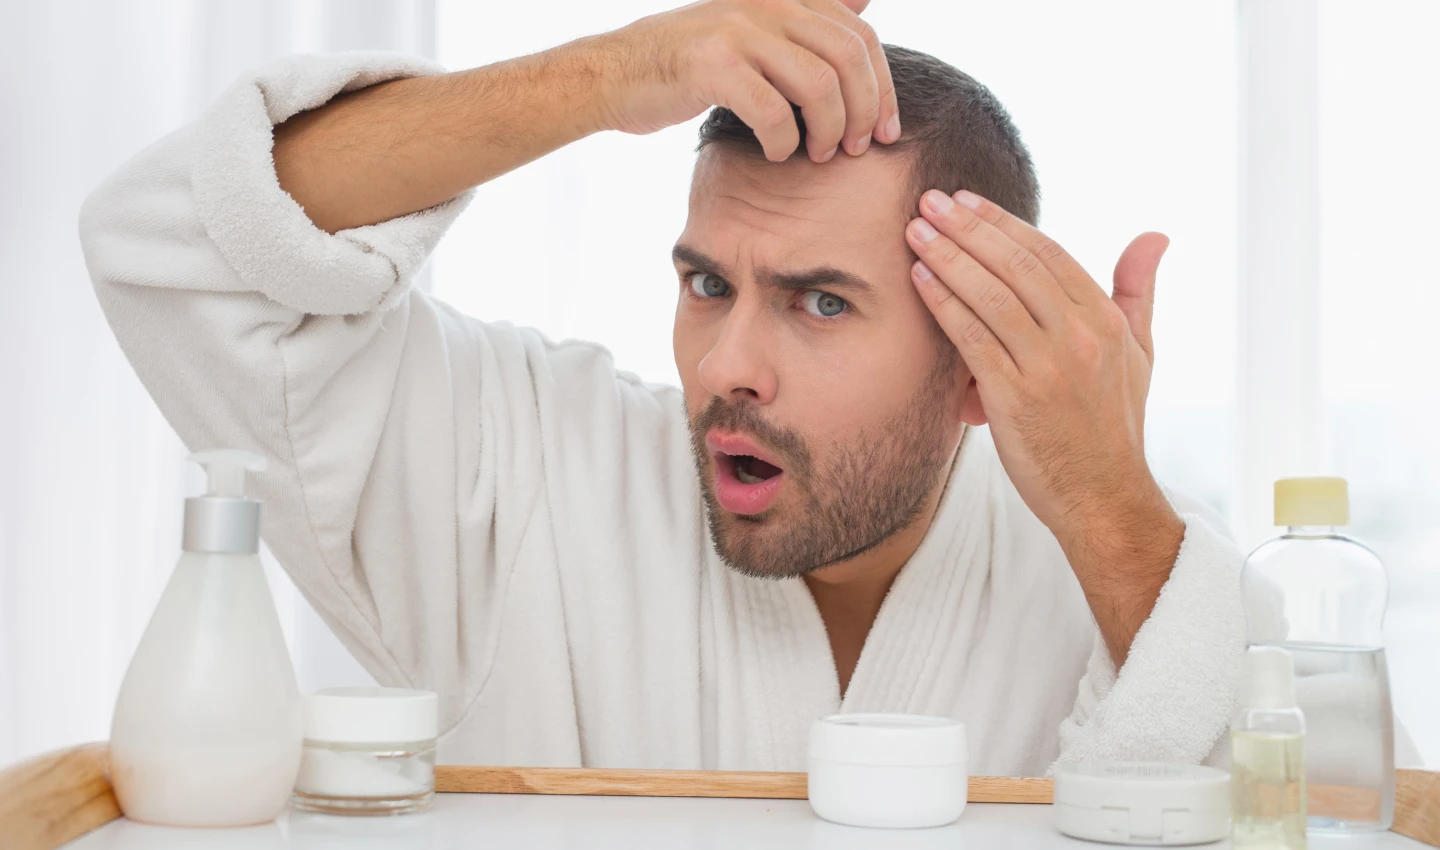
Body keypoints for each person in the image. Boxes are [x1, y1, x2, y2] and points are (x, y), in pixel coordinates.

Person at [80, 0, 1247, 774]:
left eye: (820, 300)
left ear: (977, 365)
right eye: (705, 283)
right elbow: (179, 244)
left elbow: (1320, 808)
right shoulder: (525, 475)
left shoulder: (1124, 571)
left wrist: (1109, 508)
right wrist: (611, 75)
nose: (727, 366)